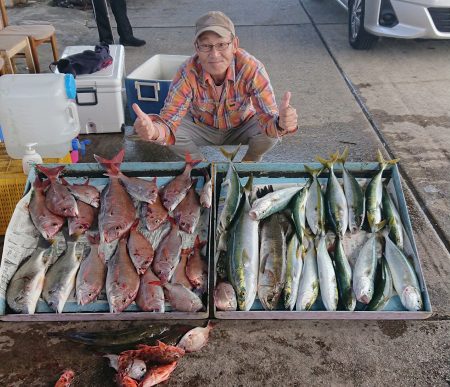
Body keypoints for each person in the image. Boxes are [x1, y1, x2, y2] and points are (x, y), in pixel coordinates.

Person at [133, 11, 297, 161]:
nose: (214, 54)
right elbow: (169, 122)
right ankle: (199, 167)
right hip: (201, 127)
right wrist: (153, 131)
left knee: (271, 134)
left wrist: (282, 123)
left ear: (235, 44)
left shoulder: (251, 68)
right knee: (173, 134)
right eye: (206, 46)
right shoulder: (187, 71)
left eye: (221, 44)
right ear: (196, 47)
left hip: (241, 126)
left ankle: (250, 162)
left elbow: (268, 117)